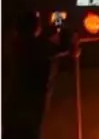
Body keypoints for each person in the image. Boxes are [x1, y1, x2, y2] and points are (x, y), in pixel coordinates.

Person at [6, 10, 74, 139]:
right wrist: (64, 30)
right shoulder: (36, 47)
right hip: (31, 104)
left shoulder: (16, 44)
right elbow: (62, 47)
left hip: (14, 102)